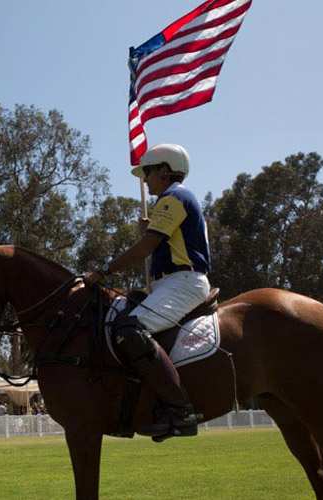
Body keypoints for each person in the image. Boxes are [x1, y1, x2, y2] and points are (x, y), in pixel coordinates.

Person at [83, 143, 209, 439]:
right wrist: (151, 231)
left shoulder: (173, 197)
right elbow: (159, 245)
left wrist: (103, 271)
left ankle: (180, 409)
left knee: (129, 330)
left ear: (165, 171)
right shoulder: (171, 200)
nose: (145, 179)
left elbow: (144, 249)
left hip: (183, 282)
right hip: (170, 281)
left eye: (148, 172)